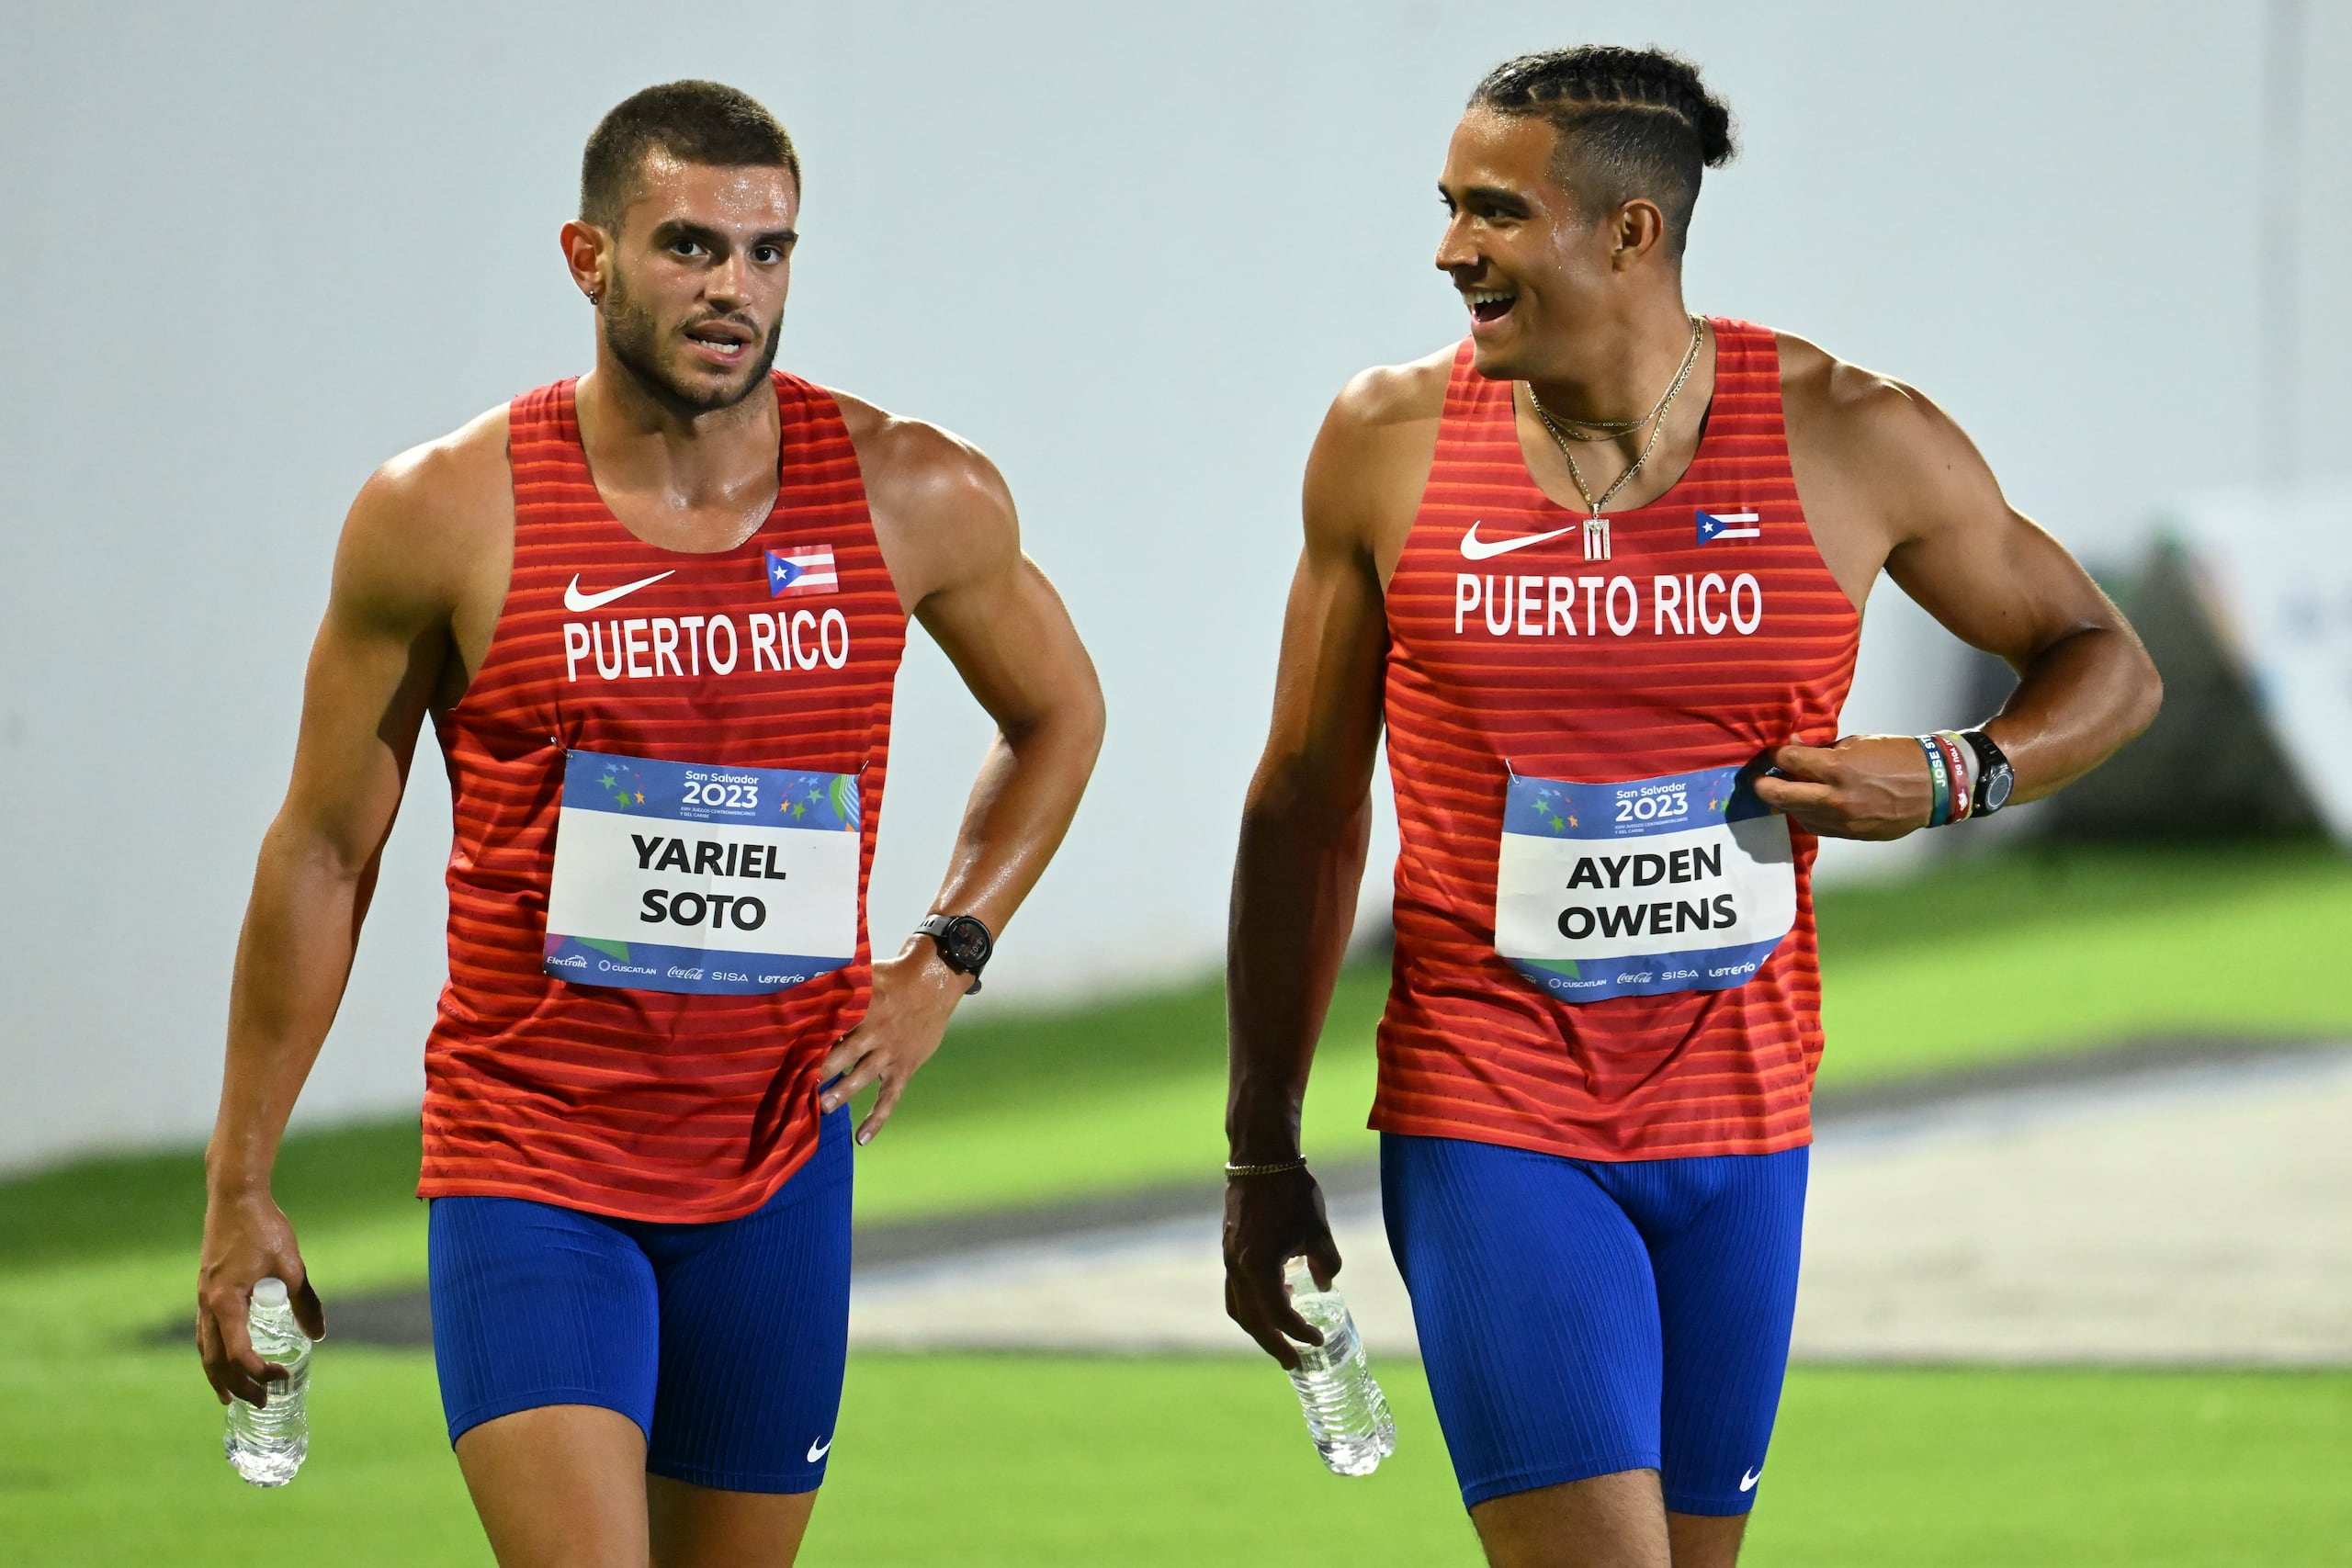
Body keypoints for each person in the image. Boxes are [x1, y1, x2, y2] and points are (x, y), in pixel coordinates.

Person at [1220, 44, 2159, 1568]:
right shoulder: (1387, 442)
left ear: (1630, 232)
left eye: (1495, 213)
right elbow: (1305, 807)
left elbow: (2106, 659)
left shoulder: (1848, 433)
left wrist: (1948, 775)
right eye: (1451, 209)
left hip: (1746, 1123)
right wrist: (1261, 1142)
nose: (1451, 249)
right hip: (1493, 1111)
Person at [195, 80, 1103, 1567]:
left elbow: (1061, 713)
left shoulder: (910, 491)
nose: (733, 290)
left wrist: (946, 956)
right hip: (532, 1165)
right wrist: (243, 1182)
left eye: (767, 253)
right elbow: (321, 848)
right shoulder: (444, 514)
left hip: (779, 1163)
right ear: (588, 255)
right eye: (689, 246)